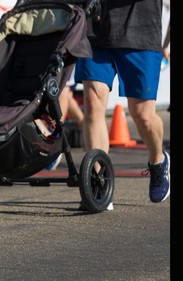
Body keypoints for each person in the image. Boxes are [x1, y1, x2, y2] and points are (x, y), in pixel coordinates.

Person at [75, 0, 170, 204]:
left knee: (143, 115)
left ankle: (158, 160)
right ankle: (99, 183)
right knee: (93, 103)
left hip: (141, 30)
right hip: (96, 28)